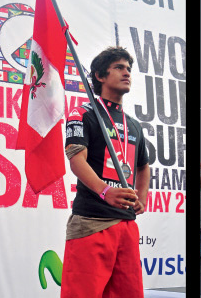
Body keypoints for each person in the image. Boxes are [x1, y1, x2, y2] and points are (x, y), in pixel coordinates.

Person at [62, 47, 149, 298]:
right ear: (100, 75)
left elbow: (144, 165)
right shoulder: (83, 113)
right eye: (119, 68)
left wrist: (141, 197)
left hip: (126, 225)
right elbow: (76, 160)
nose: (127, 73)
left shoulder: (133, 124)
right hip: (92, 222)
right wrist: (106, 191)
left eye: (129, 69)